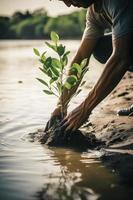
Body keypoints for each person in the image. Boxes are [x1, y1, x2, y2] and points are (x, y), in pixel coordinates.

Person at [45, 0, 133, 132]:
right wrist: (61, 105)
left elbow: (121, 57)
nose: (68, 4)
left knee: (118, 49)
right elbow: (80, 58)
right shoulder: (93, 13)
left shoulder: (117, 2)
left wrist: (85, 107)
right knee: (100, 49)